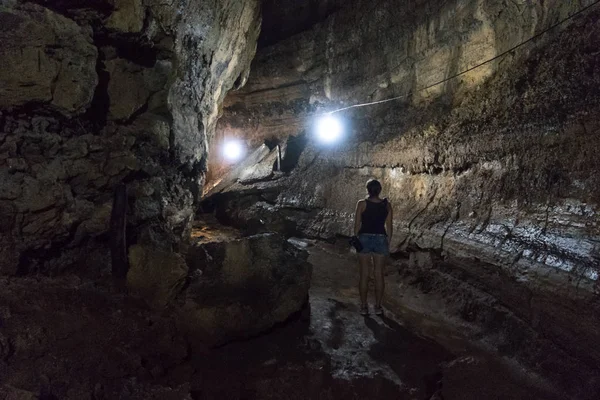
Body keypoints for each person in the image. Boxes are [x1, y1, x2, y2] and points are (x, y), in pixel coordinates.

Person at [352, 179, 393, 316]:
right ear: (379, 190)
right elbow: (389, 226)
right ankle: (378, 307)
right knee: (379, 275)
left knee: (364, 274)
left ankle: (364, 307)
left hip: (364, 238)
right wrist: (388, 241)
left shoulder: (362, 204)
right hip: (381, 239)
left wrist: (355, 238)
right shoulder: (387, 205)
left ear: (367, 190)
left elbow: (357, 225)